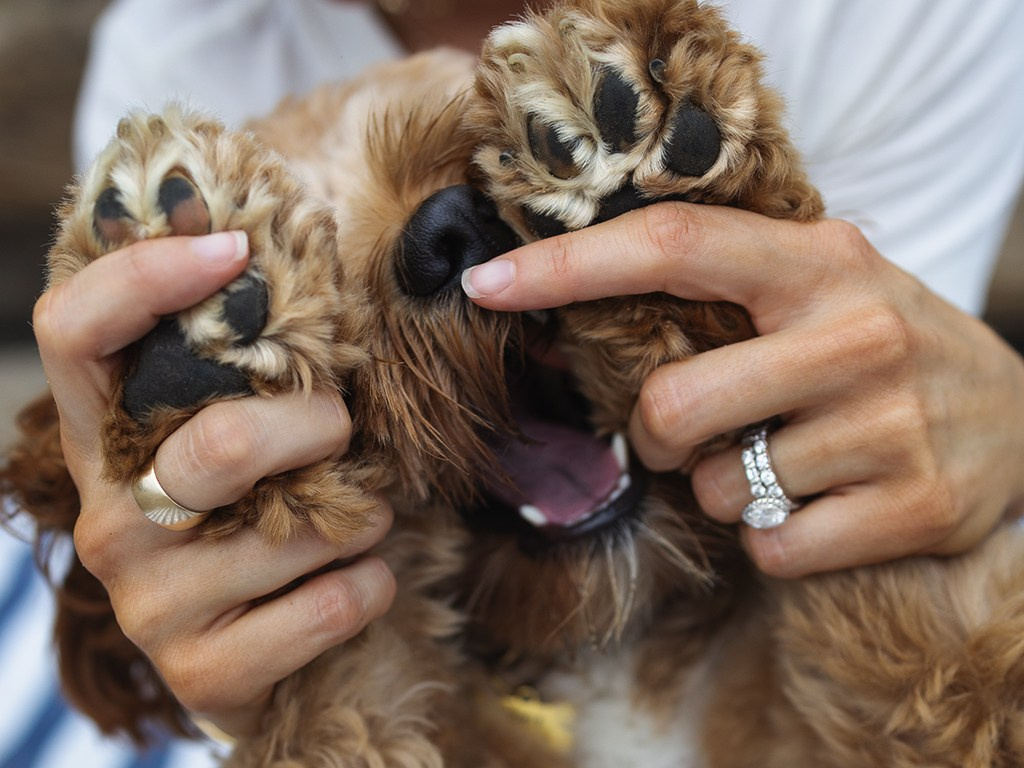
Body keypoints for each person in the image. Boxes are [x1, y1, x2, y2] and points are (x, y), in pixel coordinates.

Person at [3, 0, 1024, 763]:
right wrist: (212, 532)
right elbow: (158, 574)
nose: (445, 241)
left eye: (487, 189)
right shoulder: (176, 49)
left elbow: (884, 418)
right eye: (335, 296)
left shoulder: (886, 19)